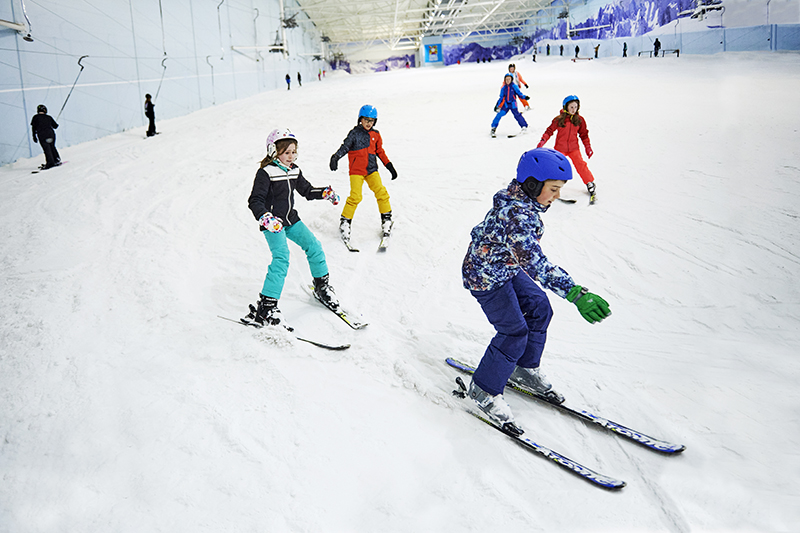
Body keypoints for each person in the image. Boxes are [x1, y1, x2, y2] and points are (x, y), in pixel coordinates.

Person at [461, 148, 612, 432]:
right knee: (513, 331)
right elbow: (536, 263)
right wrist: (576, 293)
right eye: (553, 189)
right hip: (486, 275)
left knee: (539, 307)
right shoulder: (517, 216)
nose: (556, 195)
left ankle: (524, 369)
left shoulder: (524, 203)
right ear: (532, 184)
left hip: (505, 267)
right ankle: (483, 388)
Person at [243, 128, 341, 327]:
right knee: (282, 258)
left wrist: (324, 193)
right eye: (287, 152)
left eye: (294, 151)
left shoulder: (295, 170)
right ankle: (266, 307)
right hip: (273, 224)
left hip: (291, 220)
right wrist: (265, 217)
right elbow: (255, 200)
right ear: (274, 151)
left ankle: (322, 287)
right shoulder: (266, 173)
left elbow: (307, 190)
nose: (291, 156)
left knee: (314, 246)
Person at [329, 105, 397, 245]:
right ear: (360, 119)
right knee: (356, 196)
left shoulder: (376, 135)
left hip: (372, 170)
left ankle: (386, 219)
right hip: (356, 171)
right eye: (366, 120)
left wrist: (389, 166)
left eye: (371, 121)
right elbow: (345, 146)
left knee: (381, 192)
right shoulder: (354, 133)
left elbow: (380, 152)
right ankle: (345, 222)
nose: (368, 123)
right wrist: (336, 157)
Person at [536, 95, 596, 202]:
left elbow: (584, 135)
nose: (574, 110)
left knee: (580, 165)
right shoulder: (559, 120)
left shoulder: (580, 120)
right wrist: (542, 141)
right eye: (571, 107)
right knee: (555, 167)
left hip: (574, 149)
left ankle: (589, 182)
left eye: (575, 107)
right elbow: (549, 131)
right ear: (565, 107)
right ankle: (548, 185)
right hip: (560, 149)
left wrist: (588, 147)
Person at [490, 73, 529, 138]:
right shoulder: (503, 88)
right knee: (499, 114)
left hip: (513, 104)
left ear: (511, 80)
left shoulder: (514, 86)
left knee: (517, 115)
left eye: (509, 79)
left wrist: (524, 97)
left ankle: (524, 126)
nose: (508, 81)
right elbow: (501, 97)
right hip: (506, 104)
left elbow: (519, 94)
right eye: (506, 79)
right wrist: (497, 105)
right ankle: (493, 127)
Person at [30, 104, 61, 169]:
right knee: (52, 146)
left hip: (42, 135)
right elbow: (55, 126)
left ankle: (50, 162)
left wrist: (34, 136)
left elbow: (34, 127)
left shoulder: (35, 117)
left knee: (47, 149)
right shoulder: (49, 117)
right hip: (51, 135)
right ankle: (56, 159)